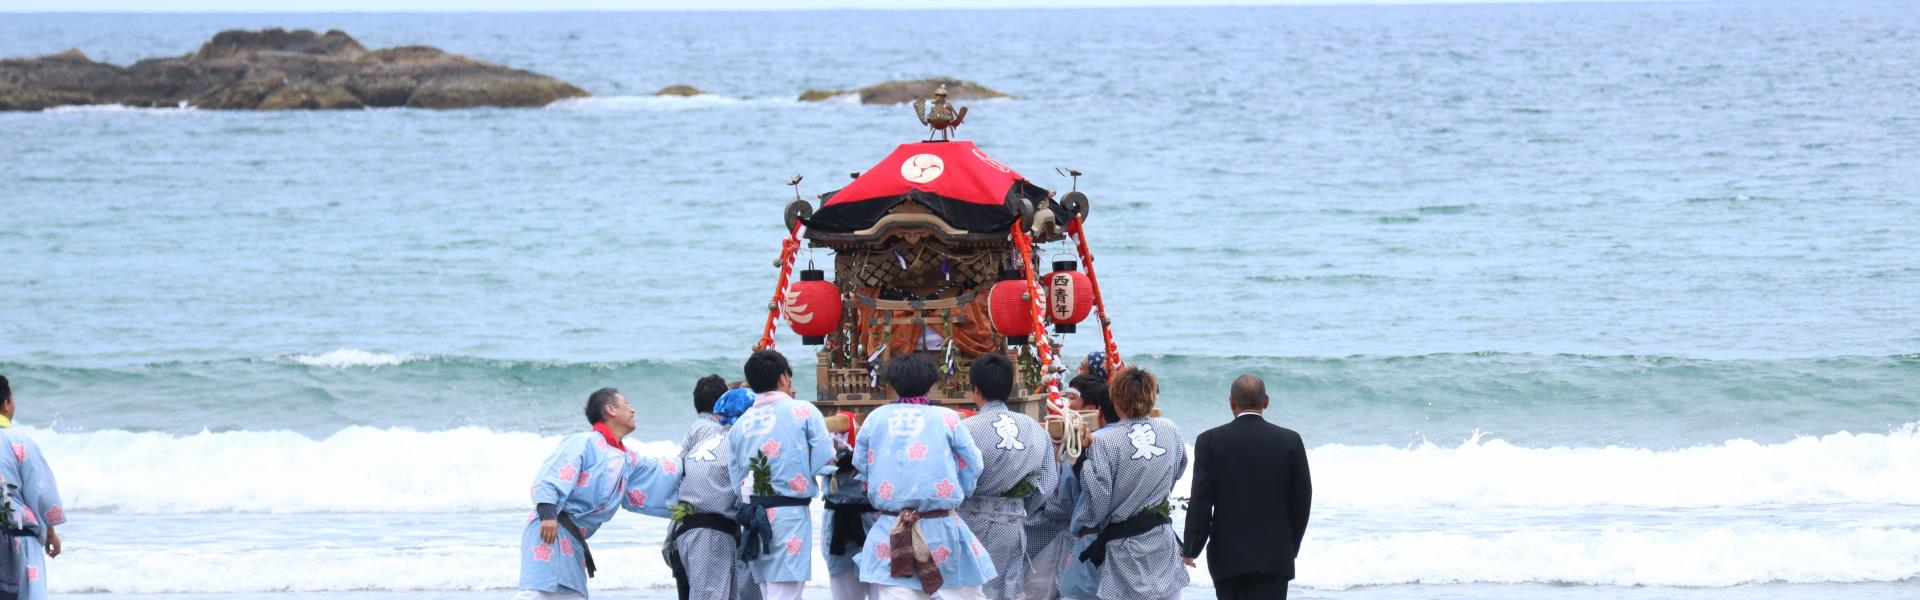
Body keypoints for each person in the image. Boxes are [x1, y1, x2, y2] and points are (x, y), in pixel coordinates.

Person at [850, 356, 995, 600]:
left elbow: (861, 464)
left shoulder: (876, 418)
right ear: (931, 384)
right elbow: (973, 462)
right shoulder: (947, 418)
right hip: (942, 528)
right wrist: (961, 488)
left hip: (891, 528)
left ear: (892, 384)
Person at [518, 388, 680, 600]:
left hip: (574, 540)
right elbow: (551, 475)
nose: (633, 409)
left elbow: (661, 471)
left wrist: (698, 459)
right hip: (550, 528)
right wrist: (548, 513)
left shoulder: (628, 458)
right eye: (627, 404)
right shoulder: (582, 442)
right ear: (610, 409)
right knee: (536, 594)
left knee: (571, 596)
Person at [1181, 375, 1312, 600]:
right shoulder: (1290, 440)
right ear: (1266, 401)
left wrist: (1192, 547)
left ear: (1232, 402)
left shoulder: (1209, 441)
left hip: (1227, 557)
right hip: (1275, 556)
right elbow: (1302, 499)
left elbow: (1201, 499)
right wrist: (1290, 545)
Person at [1060, 367, 1186, 600]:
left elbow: (1098, 499)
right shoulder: (1170, 429)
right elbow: (1179, 468)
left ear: (1116, 400)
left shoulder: (1104, 441)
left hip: (1124, 545)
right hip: (1161, 536)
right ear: (1152, 397)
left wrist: (1082, 460)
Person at [726, 349, 837, 600]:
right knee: (784, 593)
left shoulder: (740, 425)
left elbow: (735, 482)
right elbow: (824, 460)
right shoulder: (803, 411)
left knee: (769, 591)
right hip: (789, 515)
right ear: (784, 378)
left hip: (753, 515)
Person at [957, 353, 1057, 600]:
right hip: (1013, 523)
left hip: (970, 522)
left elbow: (952, 482)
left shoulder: (966, 429)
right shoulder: (1034, 427)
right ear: (1009, 386)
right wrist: (1021, 507)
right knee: (1008, 588)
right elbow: (1048, 482)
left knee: (971, 590)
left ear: (975, 389)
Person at [1024, 374, 1115, 600]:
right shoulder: (1122, 443)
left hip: (1077, 534)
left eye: (1072, 398)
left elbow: (1063, 501)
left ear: (1094, 410)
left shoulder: (1077, 447)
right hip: (1120, 537)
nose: (1065, 403)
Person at [668, 386, 761, 600]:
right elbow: (748, 495)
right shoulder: (740, 442)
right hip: (711, 532)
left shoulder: (709, 440)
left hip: (686, 529)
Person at [0, 375, 64, 600]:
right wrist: (51, 533)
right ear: (6, 403)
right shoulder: (20, 443)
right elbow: (42, 494)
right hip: (20, 540)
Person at [821, 408, 876, 600]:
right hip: (840, 521)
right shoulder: (824, 444)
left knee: (883, 587)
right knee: (845, 591)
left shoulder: (880, 432)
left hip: (875, 521)